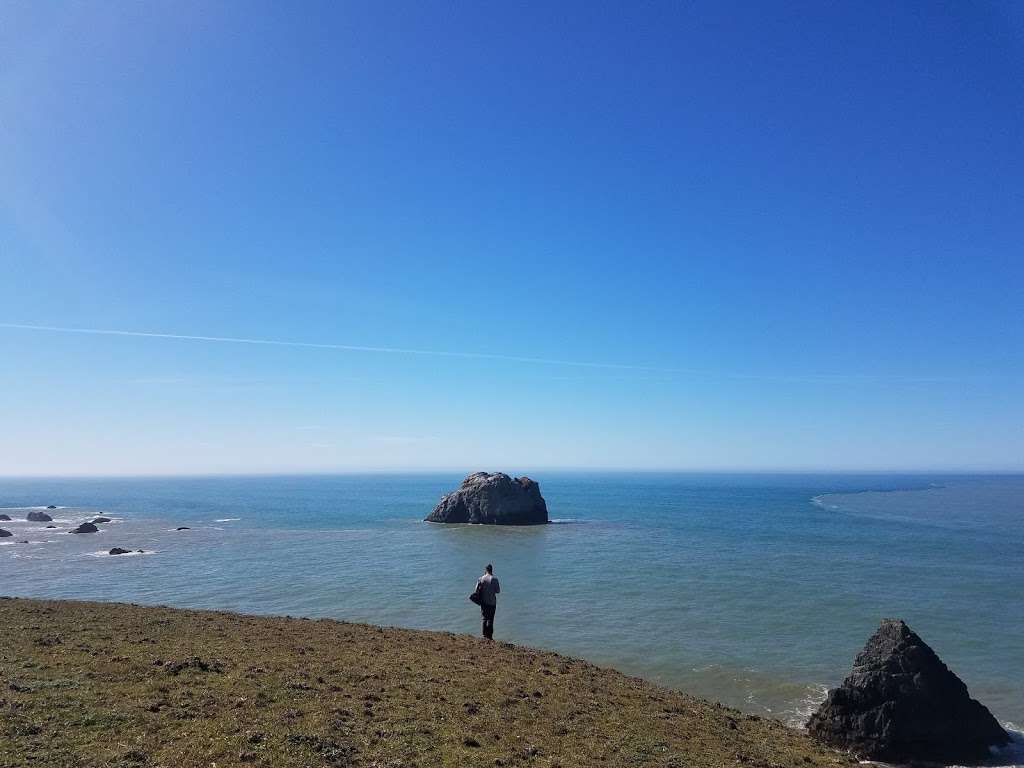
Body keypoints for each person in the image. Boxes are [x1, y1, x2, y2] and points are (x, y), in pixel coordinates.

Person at [476, 563, 500, 639]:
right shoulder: (494, 579)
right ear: (492, 570)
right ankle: (490, 636)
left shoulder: (480, 579)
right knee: (490, 619)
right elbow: (498, 591)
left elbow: (476, 590)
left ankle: (484, 635)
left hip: (483, 602)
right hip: (492, 602)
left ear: (485, 570)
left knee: (484, 618)